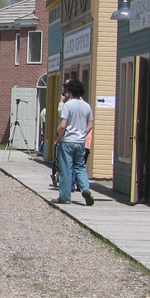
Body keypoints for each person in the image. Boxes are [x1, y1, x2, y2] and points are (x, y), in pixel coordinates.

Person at [55, 78, 94, 206]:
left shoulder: (68, 105)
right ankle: (85, 189)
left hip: (68, 140)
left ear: (70, 91)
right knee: (80, 166)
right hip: (80, 141)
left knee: (66, 168)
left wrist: (58, 138)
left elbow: (63, 125)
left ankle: (65, 197)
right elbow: (90, 124)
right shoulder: (87, 106)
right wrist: (83, 133)